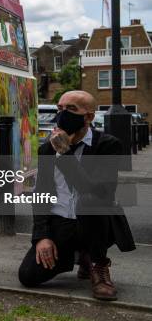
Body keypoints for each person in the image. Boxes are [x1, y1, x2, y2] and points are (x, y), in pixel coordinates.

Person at [18, 90, 135, 301]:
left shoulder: (107, 145)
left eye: (71, 109)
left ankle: (98, 265)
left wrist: (65, 154)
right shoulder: (47, 149)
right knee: (28, 276)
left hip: (96, 222)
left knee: (91, 200)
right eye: (60, 109)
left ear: (89, 117)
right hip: (61, 223)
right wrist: (42, 237)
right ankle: (80, 256)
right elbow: (41, 194)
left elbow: (98, 191)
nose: (63, 115)